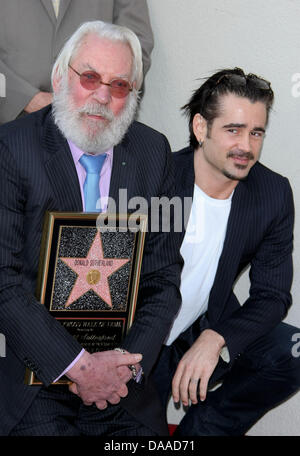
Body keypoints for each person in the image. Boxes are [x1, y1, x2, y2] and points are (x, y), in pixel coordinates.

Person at [0, 20, 181, 436]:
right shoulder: (12, 148)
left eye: (119, 86)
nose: (101, 96)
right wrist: (79, 367)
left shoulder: (154, 153)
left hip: (120, 377)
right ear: (61, 76)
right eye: (90, 77)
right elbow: (4, 281)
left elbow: (163, 279)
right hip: (37, 373)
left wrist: (120, 368)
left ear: (133, 94)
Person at [153, 67, 300, 436]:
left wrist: (217, 338)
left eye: (256, 133)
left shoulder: (272, 194)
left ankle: (200, 432)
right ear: (201, 128)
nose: (246, 147)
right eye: (233, 130)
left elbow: (272, 296)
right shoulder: (156, 180)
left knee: (294, 350)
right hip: (141, 342)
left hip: (201, 328)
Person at [0, 0, 154, 124]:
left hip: (95, 126)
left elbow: (136, 47)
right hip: (10, 121)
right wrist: (25, 99)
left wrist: (101, 95)